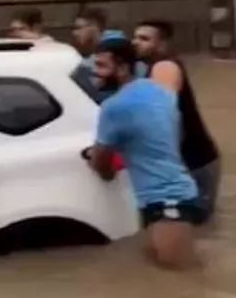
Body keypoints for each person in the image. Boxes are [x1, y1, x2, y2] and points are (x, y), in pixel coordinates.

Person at [85, 38, 201, 269]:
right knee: (163, 276)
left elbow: (101, 161)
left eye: (101, 66)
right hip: (174, 196)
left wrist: (101, 166)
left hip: (167, 204)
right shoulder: (161, 92)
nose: (94, 74)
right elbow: (174, 137)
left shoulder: (114, 107)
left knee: (181, 281)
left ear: (123, 68)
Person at [131, 19, 221, 223]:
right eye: (135, 37)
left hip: (192, 163)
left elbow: (163, 114)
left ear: (162, 44)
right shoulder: (151, 67)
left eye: (144, 39)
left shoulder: (165, 67)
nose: (135, 42)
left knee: (186, 227)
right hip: (191, 162)